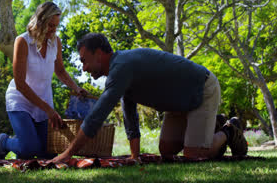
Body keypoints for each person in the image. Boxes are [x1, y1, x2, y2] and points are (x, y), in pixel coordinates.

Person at [51, 33, 247, 163]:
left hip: (201, 89)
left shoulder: (121, 67)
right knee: (167, 152)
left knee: (193, 156)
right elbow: (129, 113)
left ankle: (229, 130)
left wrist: (68, 153)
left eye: (84, 60)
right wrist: (135, 155)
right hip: (178, 103)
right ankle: (214, 125)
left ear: (99, 54)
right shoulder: (119, 72)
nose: (84, 68)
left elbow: (97, 116)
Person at [0, 1, 89, 160]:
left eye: (56, 26)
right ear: (40, 22)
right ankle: (4, 142)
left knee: (48, 153)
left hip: (43, 102)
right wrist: (49, 110)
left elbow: (60, 71)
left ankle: (22, 148)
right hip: (20, 100)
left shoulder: (55, 41)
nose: (53, 30)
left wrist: (76, 88)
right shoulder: (22, 41)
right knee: (30, 149)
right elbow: (20, 84)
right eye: (50, 25)